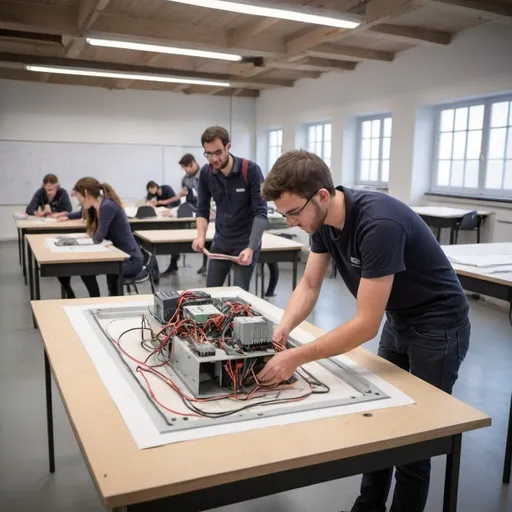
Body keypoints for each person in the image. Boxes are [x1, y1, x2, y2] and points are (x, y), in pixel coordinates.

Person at [257, 150, 470, 512]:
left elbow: (366, 324)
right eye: (283, 213)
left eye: (293, 212)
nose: (291, 221)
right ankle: (367, 507)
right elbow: (309, 285)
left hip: (439, 324)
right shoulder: (320, 222)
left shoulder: (378, 224)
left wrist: (297, 355)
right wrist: (284, 327)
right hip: (400, 318)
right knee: (383, 423)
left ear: (322, 196)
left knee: (413, 439)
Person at [192, 126, 268, 291]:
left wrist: (251, 247)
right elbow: (202, 209)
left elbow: (261, 213)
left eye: (218, 152)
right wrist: (200, 236)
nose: (214, 159)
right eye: (208, 154)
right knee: (210, 292)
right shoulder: (206, 173)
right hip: (221, 241)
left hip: (245, 243)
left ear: (228, 147)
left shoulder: (251, 170)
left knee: (238, 295)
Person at [58, 178, 144, 299]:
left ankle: (98, 301)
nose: (81, 204)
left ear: (86, 193)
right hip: (116, 257)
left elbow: (98, 238)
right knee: (85, 271)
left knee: (88, 271)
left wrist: (82, 241)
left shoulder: (107, 206)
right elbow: (94, 232)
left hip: (130, 261)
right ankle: (96, 300)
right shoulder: (98, 206)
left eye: (79, 199)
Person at [178, 153, 208, 275]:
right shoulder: (185, 178)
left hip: (205, 210)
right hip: (191, 209)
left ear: (192, 164)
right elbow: (183, 195)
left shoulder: (205, 175)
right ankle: (174, 263)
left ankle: (206, 265)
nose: (185, 170)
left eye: (186, 167)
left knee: (206, 237)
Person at [146, 180, 182, 274]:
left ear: (156, 186)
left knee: (174, 239)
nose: (151, 192)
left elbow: (175, 202)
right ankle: (173, 261)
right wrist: (150, 203)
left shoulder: (167, 188)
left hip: (173, 215)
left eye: (152, 189)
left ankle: (174, 260)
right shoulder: (154, 194)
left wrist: (168, 209)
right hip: (163, 216)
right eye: (150, 191)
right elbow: (149, 200)